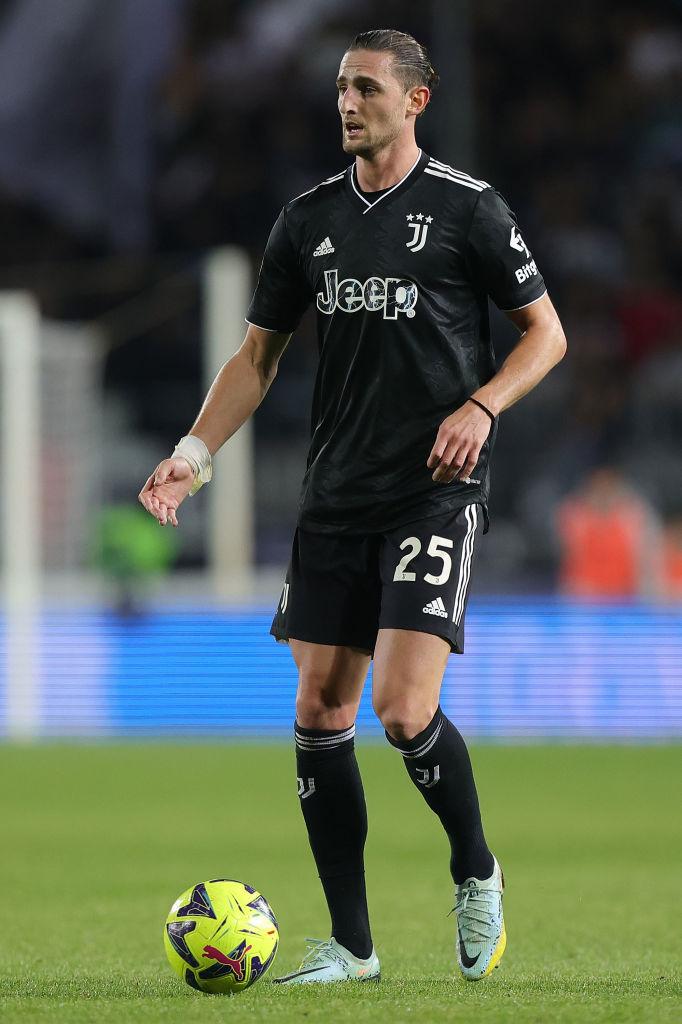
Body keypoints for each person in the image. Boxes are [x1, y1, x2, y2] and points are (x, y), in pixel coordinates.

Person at [139, 29, 566, 985]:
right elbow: (258, 357)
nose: (347, 102)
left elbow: (546, 335)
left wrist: (482, 406)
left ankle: (476, 871)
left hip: (432, 493)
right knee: (320, 707)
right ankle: (353, 946)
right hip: (335, 498)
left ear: (416, 100)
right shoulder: (308, 220)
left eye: (367, 87)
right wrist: (192, 455)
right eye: (341, 86)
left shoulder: (469, 209)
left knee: (402, 709)